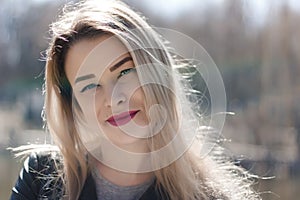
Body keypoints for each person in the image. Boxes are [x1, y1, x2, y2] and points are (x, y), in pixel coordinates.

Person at [10, 0, 261, 199]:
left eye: (125, 72)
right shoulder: (39, 179)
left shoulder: (214, 197)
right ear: (73, 105)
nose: (114, 98)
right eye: (89, 86)